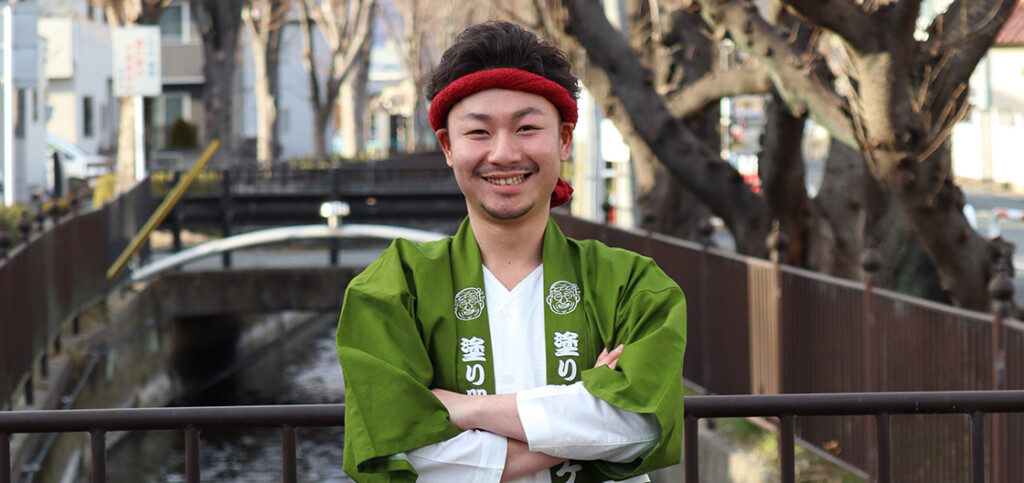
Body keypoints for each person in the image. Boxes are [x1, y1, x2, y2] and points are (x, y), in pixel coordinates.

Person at [336, 20, 687, 482]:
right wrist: (586, 418)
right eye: (479, 132)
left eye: (526, 127)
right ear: (447, 146)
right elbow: (397, 449)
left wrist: (464, 409)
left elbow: (642, 426)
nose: (503, 153)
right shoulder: (393, 287)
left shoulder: (632, 284)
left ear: (564, 140)